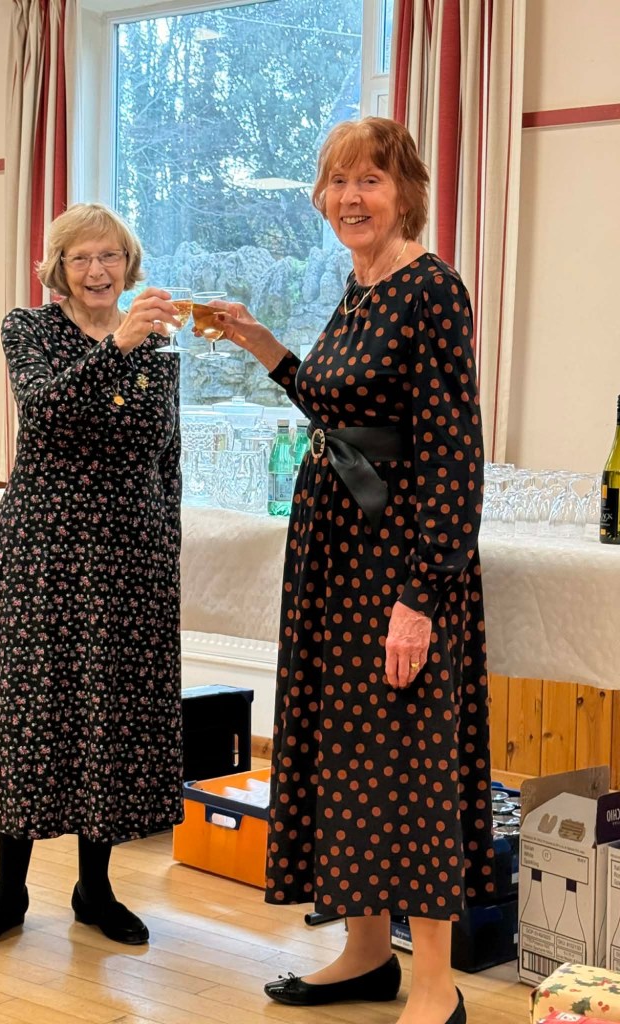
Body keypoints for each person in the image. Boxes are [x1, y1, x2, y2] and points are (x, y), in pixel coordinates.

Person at [211, 118, 495, 1024]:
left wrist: (421, 599)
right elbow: (338, 406)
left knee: (408, 762)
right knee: (348, 755)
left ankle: (436, 983)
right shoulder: (360, 286)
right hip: (334, 559)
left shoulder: (431, 287)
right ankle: (367, 954)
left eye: (368, 180)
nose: (349, 198)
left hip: (395, 561)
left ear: (406, 191)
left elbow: (453, 454)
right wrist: (264, 345)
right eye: (336, 183)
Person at [0, 203, 186, 950]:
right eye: (80, 257)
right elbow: (46, 414)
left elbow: (168, 456)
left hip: (130, 557)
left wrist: (167, 548)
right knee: (31, 711)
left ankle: (96, 888)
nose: (96, 270)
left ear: (128, 263)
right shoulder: (28, 329)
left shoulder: (160, 346)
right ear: (57, 267)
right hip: (44, 554)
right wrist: (117, 345)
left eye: (109, 256)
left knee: (107, 715)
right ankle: (8, 891)